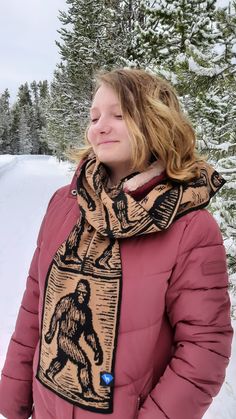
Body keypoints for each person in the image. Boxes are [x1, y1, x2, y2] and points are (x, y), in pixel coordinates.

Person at [0, 68, 233, 419]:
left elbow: (205, 349)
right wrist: (14, 396)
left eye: (118, 115)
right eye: (94, 117)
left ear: (157, 121)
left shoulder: (190, 227)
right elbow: (35, 307)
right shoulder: (64, 204)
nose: (99, 126)